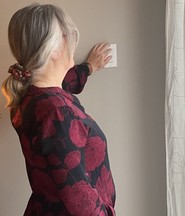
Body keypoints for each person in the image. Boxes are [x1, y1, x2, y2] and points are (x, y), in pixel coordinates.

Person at [1, 3, 116, 216]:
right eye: (65, 34)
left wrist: (88, 68)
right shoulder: (57, 113)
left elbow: (63, 85)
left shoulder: (31, 95)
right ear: (52, 48)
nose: (72, 39)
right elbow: (82, 205)